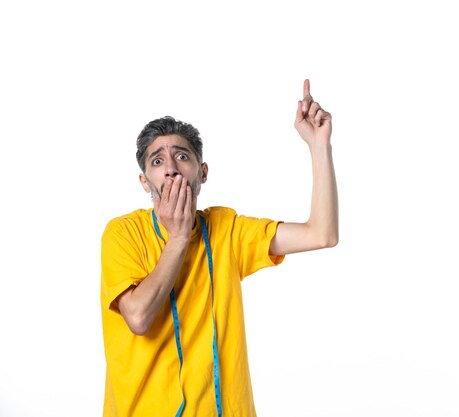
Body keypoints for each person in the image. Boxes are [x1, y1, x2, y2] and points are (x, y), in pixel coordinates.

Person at [100, 79, 338, 417]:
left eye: (182, 157)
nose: (170, 168)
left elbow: (321, 234)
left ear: (203, 172)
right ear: (144, 181)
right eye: (157, 161)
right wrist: (178, 237)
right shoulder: (122, 233)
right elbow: (138, 317)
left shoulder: (226, 230)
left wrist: (319, 146)